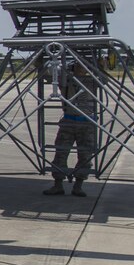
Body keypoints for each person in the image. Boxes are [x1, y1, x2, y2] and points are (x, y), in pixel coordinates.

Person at [44, 62, 99, 197]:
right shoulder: (66, 80)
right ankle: (58, 184)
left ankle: (78, 186)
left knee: (85, 155)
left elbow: (105, 78)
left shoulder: (92, 79)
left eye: (83, 66)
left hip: (87, 121)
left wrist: (99, 65)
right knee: (61, 152)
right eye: (78, 66)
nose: (82, 69)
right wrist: (41, 61)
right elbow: (47, 75)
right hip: (69, 120)